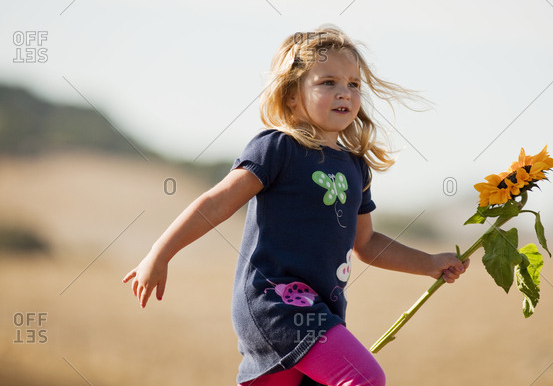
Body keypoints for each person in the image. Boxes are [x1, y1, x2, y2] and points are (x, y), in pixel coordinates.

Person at [123, 26, 470, 386]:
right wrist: (160, 253)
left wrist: (428, 263)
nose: (344, 93)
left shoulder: (355, 167)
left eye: (353, 84)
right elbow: (216, 203)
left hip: (321, 310)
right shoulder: (277, 149)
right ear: (291, 96)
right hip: (276, 306)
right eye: (328, 82)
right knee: (365, 379)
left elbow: (366, 244)